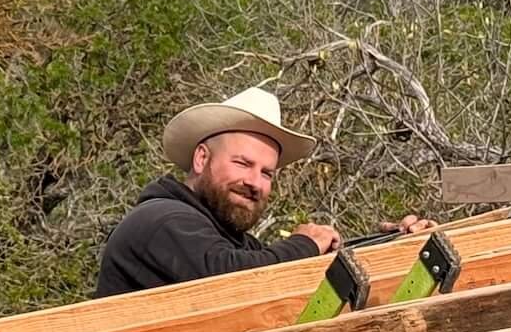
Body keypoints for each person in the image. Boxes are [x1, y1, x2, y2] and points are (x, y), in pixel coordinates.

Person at [96, 86, 430, 297]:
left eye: (267, 172)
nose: (255, 182)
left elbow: (275, 270)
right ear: (201, 158)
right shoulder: (161, 220)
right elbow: (234, 278)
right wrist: (304, 244)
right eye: (242, 163)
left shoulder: (223, 237)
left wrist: (396, 245)